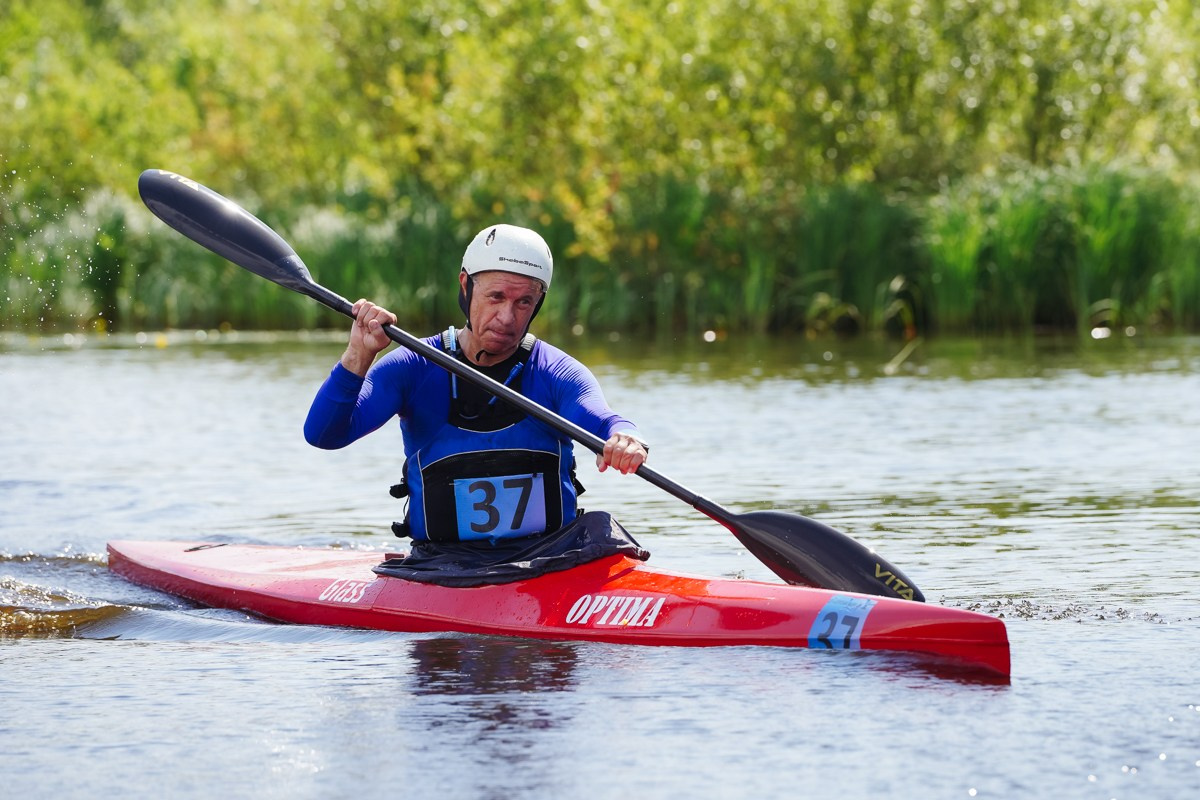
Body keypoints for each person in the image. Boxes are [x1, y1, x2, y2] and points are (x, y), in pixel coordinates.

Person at [304, 223, 649, 549]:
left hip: (550, 559)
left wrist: (626, 438)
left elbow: (604, 421)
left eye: (523, 302)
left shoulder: (555, 373)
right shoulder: (413, 367)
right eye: (496, 296)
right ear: (465, 286)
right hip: (441, 568)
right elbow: (324, 435)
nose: (507, 317)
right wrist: (357, 355)